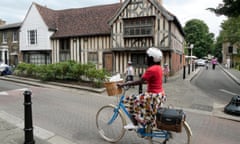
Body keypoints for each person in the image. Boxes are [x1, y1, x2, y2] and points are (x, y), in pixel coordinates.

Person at [118, 47, 166, 130]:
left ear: (151, 58)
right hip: (160, 95)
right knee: (141, 106)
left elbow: (140, 81)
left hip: (152, 96)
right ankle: (144, 123)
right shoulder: (159, 68)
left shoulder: (151, 69)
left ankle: (135, 123)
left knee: (129, 100)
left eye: (146, 56)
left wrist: (124, 84)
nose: (145, 58)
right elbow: (152, 80)